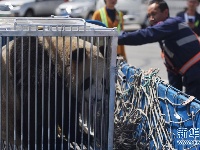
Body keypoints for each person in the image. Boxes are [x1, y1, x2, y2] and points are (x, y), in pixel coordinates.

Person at [118, 0, 200, 100]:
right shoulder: (165, 35)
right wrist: (174, 98)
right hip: (192, 74)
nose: (151, 18)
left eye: (154, 14)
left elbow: (146, 35)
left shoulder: (172, 23)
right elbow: (173, 70)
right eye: (148, 15)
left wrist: (116, 38)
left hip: (196, 73)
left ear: (165, 12)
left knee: (194, 109)